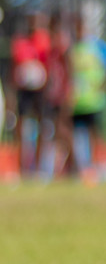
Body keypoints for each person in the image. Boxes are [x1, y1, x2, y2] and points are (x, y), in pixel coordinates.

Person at [66, 12, 106, 182]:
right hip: (77, 101)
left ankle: (99, 166)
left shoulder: (97, 47)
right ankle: (83, 169)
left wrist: (104, 86)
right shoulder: (73, 49)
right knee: (75, 136)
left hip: (95, 101)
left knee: (95, 136)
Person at [11, 12, 55, 179]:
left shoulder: (44, 42)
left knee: (42, 126)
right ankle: (22, 168)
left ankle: (38, 167)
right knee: (20, 127)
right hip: (24, 91)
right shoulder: (20, 43)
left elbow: (49, 65)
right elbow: (15, 69)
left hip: (40, 90)